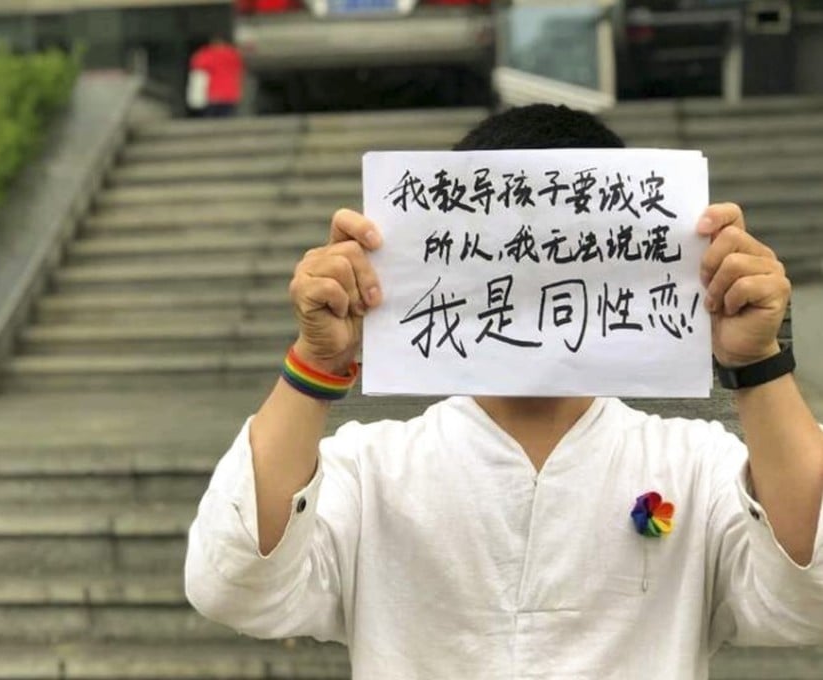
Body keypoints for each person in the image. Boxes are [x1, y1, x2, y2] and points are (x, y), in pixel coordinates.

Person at [184, 105, 823, 678]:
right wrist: (314, 365)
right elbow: (234, 584)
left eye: (573, 247)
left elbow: (808, 598)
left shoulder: (697, 463)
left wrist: (758, 363)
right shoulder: (371, 468)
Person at [188, 37, 244, 118]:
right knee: (227, 118)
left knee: (211, 119)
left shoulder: (207, 54)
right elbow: (241, 66)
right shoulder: (233, 54)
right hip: (230, 94)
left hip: (214, 93)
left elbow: (195, 64)